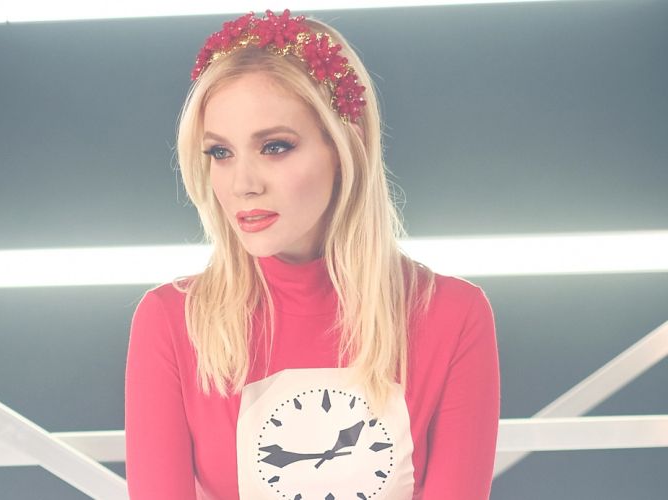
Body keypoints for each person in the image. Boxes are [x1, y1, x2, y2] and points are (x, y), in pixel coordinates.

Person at [125, 9, 499, 500]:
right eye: (220, 152)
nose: (243, 184)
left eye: (275, 147)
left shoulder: (452, 316)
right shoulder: (172, 322)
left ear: (346, 146)